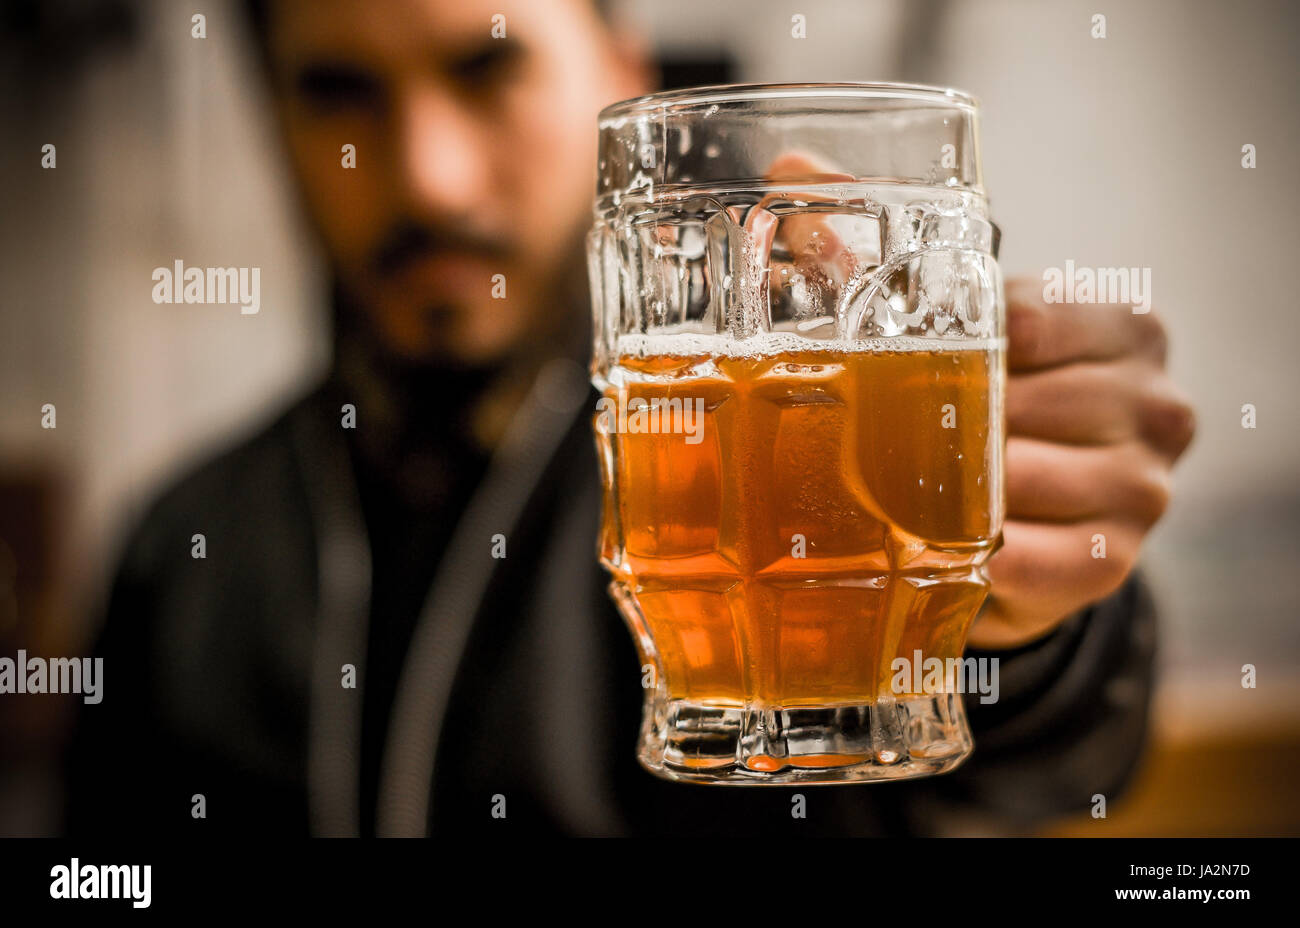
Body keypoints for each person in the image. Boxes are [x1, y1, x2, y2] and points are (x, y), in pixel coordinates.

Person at [64, 0, 1194, 836]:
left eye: (486, 69)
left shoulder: (768, 458)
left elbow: (1034, 763)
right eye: (339, 93)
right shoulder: (180, 546)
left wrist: (1031, 624)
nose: (431, 178)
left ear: (620, 74)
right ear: (270, 117)